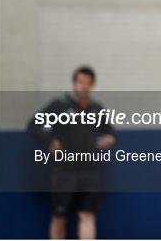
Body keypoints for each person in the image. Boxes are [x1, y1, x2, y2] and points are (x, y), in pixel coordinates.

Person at [27, 66, 116, 239]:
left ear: (92, 85)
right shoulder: (59, 105)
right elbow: (33, 126)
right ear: (74, 83)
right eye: (80, 82)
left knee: (87, 215)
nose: (83, 86)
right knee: (59, 217)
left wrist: (109, 139)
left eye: (87, 83)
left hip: (90, 171)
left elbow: (110, 133)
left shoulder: (96, 108)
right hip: (65, 170)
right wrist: (50, 141)